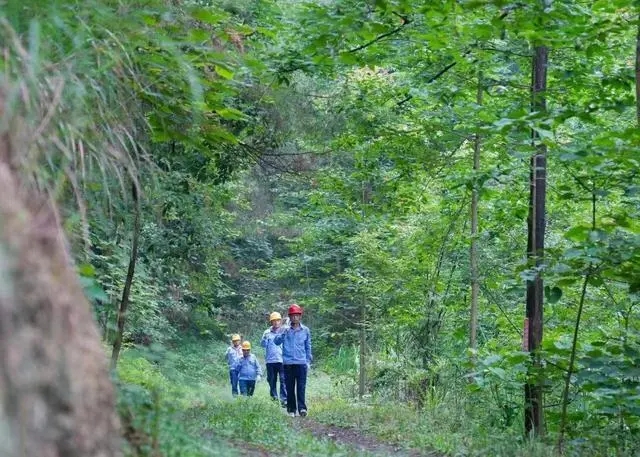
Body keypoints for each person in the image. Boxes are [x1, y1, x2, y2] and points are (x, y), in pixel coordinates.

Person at [274, 304, 312, 417]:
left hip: (301, 363)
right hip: (288, 363)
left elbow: (308, 346)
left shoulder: (305, 330)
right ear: (290, 317)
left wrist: (308, 361)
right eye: (293, 315)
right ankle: (291, 409)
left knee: (301, 387)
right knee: (289, 388)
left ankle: (302, 409)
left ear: (300, 316)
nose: (295, 317)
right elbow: (276, 342)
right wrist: (283, 333)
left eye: (297, 315)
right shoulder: (284, 329)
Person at [261, 311, 287, 406]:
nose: (276, 322)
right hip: (270, 361)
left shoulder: (284, 331)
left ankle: (284, 399)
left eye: (278, 320)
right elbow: (263, 345)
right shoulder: (267, 332)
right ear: (271, 322)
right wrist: (264, 339)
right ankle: (274, 398)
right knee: (271, 380)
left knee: (283, 380)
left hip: (282, 360)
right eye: (274, 321)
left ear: (280, 321)